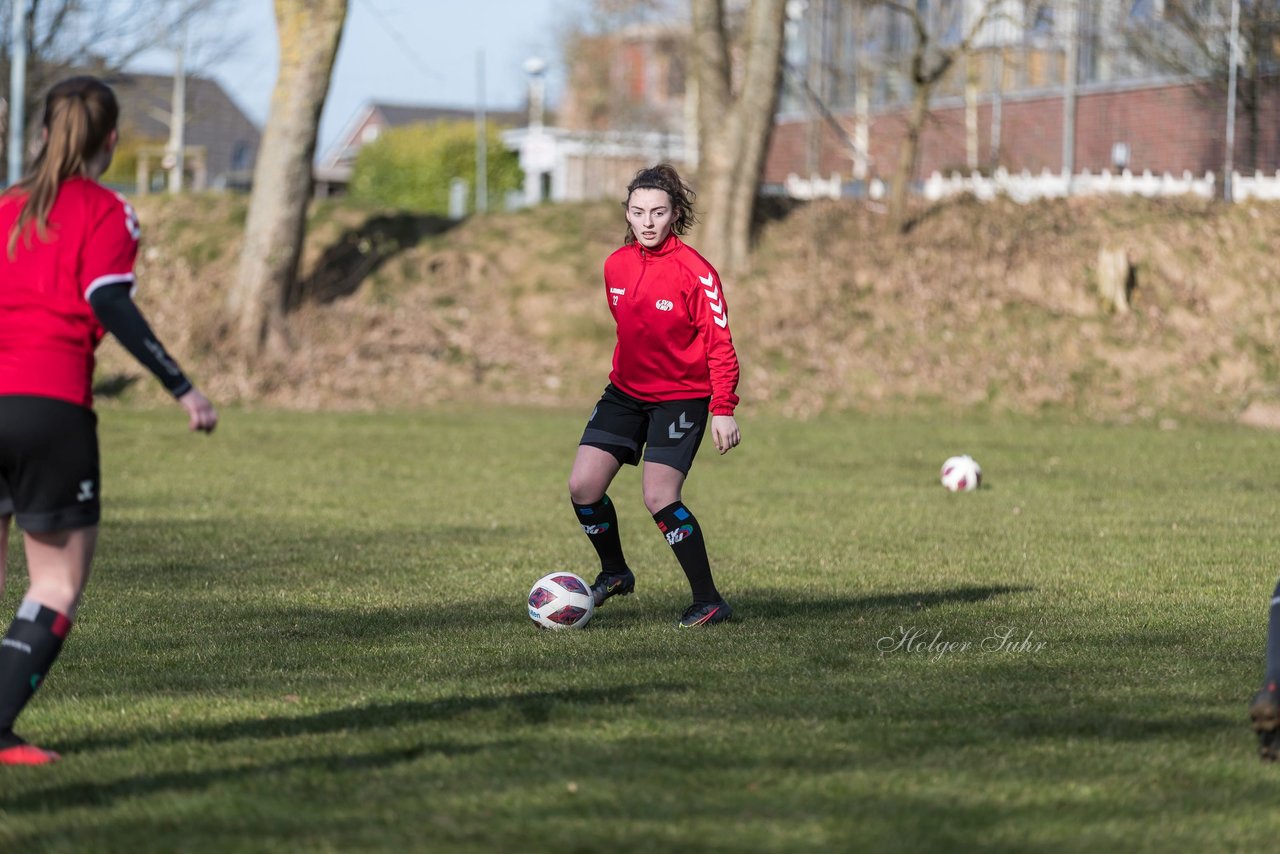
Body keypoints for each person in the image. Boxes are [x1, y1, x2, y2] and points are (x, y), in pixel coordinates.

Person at [0, 76, 217, 766]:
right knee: (55, 583)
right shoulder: (106, 212)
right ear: (113, 141)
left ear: (41, 133)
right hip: (48, 407)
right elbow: (110, 303)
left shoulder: (2, 206)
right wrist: (182, 387)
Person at [567, 164, 741, 628]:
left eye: (658, 212)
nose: (647, 222)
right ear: (626, 212)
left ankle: (708, 600)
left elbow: (719, 344)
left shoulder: (697, 272)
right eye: (638, 211)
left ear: (675, 214)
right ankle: (615, 572)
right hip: (624, 393)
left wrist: (722, 408)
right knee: (583, 487)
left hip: (681, 399)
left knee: (659, 496)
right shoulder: (615, 266)